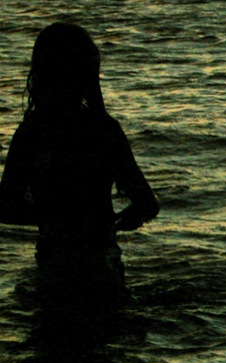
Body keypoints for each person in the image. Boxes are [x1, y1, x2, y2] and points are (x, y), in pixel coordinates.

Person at [0, 22, 158, 309]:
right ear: (88, 75)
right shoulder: (104, 130)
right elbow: (147, 203)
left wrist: (52, 215)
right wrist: (115, 221)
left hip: (53, 269)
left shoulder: (31, 133)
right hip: (102, 267)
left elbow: (5, 205)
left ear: (40, 73)